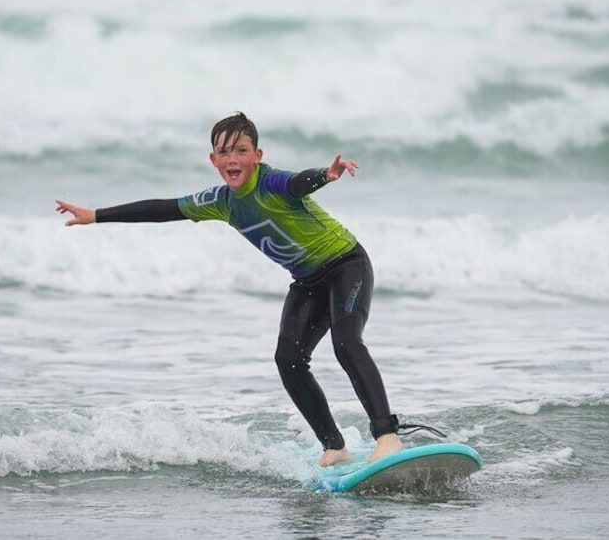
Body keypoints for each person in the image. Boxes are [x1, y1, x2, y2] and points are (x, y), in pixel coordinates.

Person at [55, 112, 403, 466]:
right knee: (289, 360)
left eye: (241, 150)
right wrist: (96, 214)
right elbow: (164, 209)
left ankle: (387, 437)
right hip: (307, 281)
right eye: (223, 152)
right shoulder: (221, 201)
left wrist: (324, 176)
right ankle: (334, 447)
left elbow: (297, 182)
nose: (232, 158)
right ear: (213, 160)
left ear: (257, 155)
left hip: (346, 264)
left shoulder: (270, 182)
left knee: (346, 342)